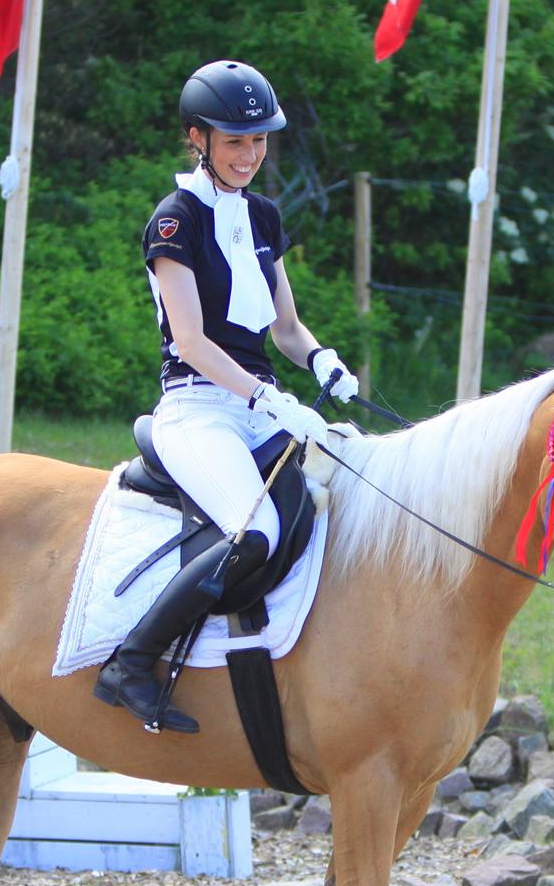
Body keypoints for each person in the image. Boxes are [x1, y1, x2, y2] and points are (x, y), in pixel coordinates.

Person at [94, 58, 360, 735]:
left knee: (350, 477)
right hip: (196, 408)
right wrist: (267, 400)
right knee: (257, 530)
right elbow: (189, 339)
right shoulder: (174, 222)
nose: (250, 154)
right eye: (234, 141)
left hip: (253, 404)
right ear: (198, 139)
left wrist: (322, 360)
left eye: (259, 140)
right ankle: (131, 660)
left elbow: (286, 327)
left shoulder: (264, 217)